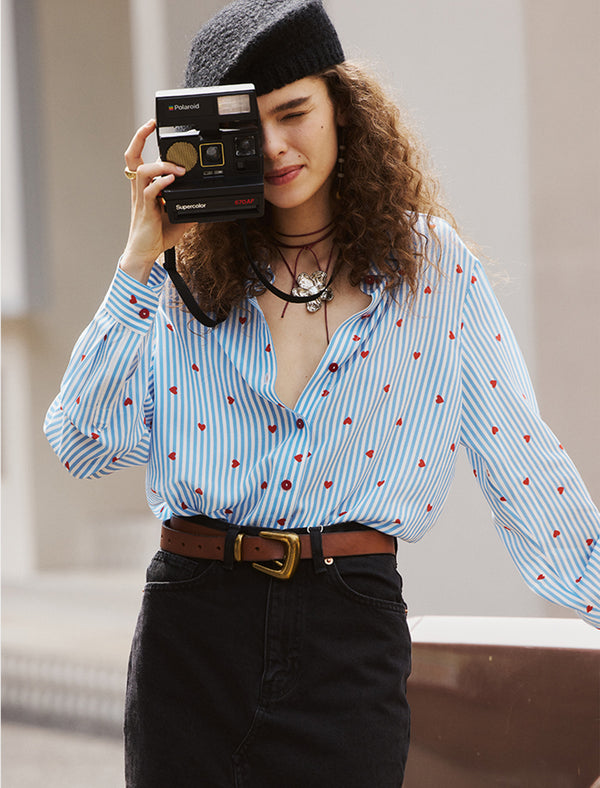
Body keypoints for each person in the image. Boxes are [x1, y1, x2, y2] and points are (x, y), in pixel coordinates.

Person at [44, 1, 599, 786]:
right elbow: (82, 443)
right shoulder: (181, 279)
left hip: (348, 635)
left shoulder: (430, 270)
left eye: (294, 111)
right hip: (191, 634)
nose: (274, 147)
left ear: (342, 106)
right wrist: (138, 262)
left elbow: (523, 461)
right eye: (247, 129)